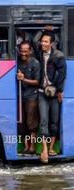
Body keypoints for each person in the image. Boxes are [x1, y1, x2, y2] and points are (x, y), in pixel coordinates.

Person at [38, 31, 66, 163]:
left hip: (54, 93)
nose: (42, 43)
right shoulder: (38, 53)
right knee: (43, 120)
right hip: (41, 92)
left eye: (45, 42)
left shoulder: (58, 56)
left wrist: (58, 90)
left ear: (52, 43)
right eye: (42, 41)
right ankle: (44, 150)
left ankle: (51, 148)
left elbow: (62, 74)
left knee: (54, 122)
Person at [16, 41, 40, 155]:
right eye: (21, 51)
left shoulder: (35, 63)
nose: (23, 53)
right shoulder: (17, 62)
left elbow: (37, 81)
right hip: (20, 96)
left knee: (32, 123)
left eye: (26, 51)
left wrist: (23, 79)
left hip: (32, 96)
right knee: (22, 123)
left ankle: (32, 147)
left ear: (30, 51)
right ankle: (26, 147)